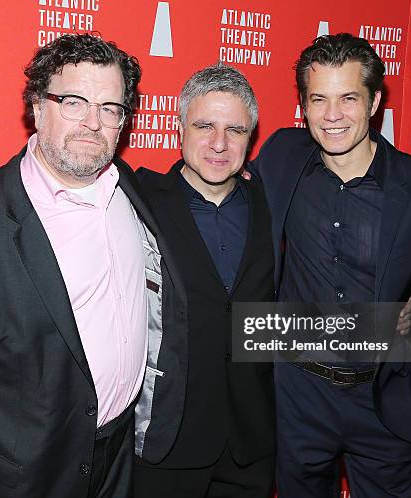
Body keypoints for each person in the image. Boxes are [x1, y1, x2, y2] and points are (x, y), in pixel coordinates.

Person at [0, 33, 187, 498]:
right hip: (26, 476)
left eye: (110, 108)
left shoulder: (131, 193)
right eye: (74, 102)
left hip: (119, 459)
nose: (93, 123)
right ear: (37, 107)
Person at [251, 33, 411, 497]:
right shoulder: (281, 158)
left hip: (385, 401)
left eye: (348, 98)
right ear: (303, 105)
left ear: (374, 103)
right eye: (318, 99)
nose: (332, 116)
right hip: (298, 398)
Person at [133, 64, 276, 498]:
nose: (219, 143)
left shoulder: (272, 199)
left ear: (251, 137)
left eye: (235, 129)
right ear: (179, 129)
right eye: (205, 126)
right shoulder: (137, 199)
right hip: (169, 441)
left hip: (252, 441)